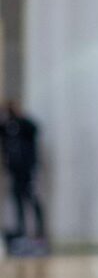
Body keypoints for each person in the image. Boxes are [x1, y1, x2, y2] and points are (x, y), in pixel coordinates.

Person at [0, 100, 47, 247]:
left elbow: (35, 128)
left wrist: (20, 115)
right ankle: (21, 232)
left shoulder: (25, 125)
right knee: (17, 201)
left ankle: (40, 232)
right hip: (15, 172)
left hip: (28, 171)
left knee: (32, 199)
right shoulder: (8, 127)